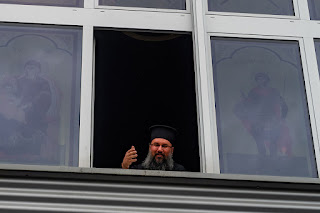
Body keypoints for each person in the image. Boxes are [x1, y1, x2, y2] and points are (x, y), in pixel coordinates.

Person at [234, 72, 292, 156]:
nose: (260, 81)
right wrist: (244, 100)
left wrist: (281, 118)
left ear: (266, 80)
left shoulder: (273, 92)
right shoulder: (253, 92)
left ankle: (273, 159)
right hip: (259, 121)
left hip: (272, 120)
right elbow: (249, 105)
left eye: (262, 78)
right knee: (260, 143)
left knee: (273, 143)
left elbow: (283, 105)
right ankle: (262, 159)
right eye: (259, 79)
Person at [121, 125, 185, 171]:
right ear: (150, 147)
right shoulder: (138, 170)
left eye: (164, 146)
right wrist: (125, 167)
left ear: (172, 150)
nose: (160, 149)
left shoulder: (179, 171)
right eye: (156, 145)